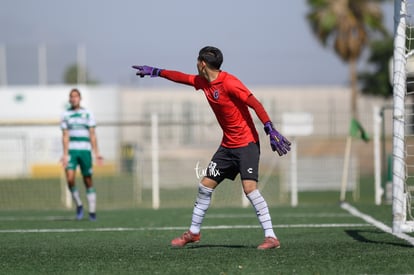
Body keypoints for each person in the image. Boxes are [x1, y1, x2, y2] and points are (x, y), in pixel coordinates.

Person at [132, 46, 291, 250]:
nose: (195, 65)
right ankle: (193, 233)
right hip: (227, 147)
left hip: (247, 145)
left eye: (196, 61)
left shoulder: (230, 83)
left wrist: (269, 128)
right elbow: (181, 77)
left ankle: (271, 237)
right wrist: (156, 71)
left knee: (250, 189)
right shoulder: (203, 82)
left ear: (202, 63)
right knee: (205, 186)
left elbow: (255, 103)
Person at [60, 88, 103, 221]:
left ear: (80, 98)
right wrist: (65, 154)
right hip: (72, 151)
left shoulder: (87, 113)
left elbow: (92, 134)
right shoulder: (65, 114)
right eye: (71, 97)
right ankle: (79, 204)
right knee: (70, 179)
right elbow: (65, 135)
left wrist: (97, 153)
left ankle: (92, 212)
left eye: (76, 96)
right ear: (69, 99)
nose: (74, 99)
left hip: (85, 151)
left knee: (87, 180)